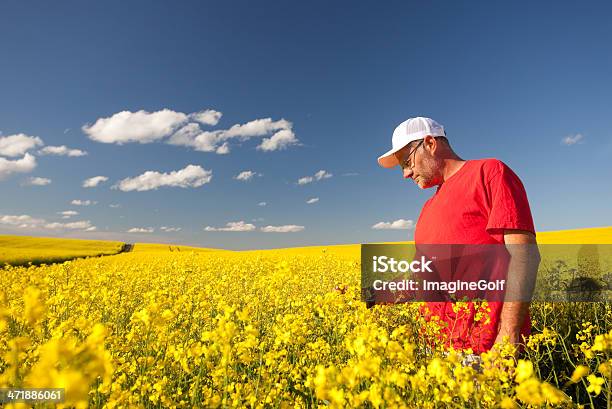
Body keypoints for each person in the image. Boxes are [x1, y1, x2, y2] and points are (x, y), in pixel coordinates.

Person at [377, 117, 540, 355]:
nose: (406, 173)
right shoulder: (426, 211)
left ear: (430, 143)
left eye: (406, 162)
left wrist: (508, 335)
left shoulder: (489, 173)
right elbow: (422, 279)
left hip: (487, 351)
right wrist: (371, 295)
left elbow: (524, 256)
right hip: (437, 353)